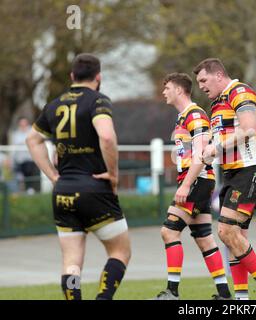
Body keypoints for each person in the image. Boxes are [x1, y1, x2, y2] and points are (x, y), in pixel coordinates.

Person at [26, 53, 131, 300]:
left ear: (72, 76)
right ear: (99, 77)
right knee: (119, 252)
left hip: (63, 191)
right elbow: (106, 136)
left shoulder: (54, 105)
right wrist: (113, 175)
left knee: (72, 262)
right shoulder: (98, 101)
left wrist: (53, 176)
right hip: (95, 187)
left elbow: (33, 139)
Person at [194, 58, 256, 300]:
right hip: (234, 174)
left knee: (225, 231)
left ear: (219, 75)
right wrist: (208, 151)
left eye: (203, 80)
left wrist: (217, 146)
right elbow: (222, 140)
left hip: (253, 170)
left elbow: (248, 128)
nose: (201, 86)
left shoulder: (239, 91)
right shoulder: (216, 104)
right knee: (235, 238)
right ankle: (242, 299)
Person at [153, 73, 231, 300]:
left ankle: (172, 292)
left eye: (167, 87)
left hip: (197, 181)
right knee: (204, 238)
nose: (164, 92)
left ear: (179, 90)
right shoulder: (183, 117)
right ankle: (224, 294)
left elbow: (200, 155)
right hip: (198, 181)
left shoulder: (195, 115)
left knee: (169, 231)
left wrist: (186, 185)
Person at [10, 117, 40, 193]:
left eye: (24, 123)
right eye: (21, 123)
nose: (23, 124)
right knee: (18, 176)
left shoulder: (32, 131)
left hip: (30, 159)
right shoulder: (16, 134)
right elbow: (15, 146)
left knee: (30, 173)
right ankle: (20, 191)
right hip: (19, 160)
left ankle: (30, 189)